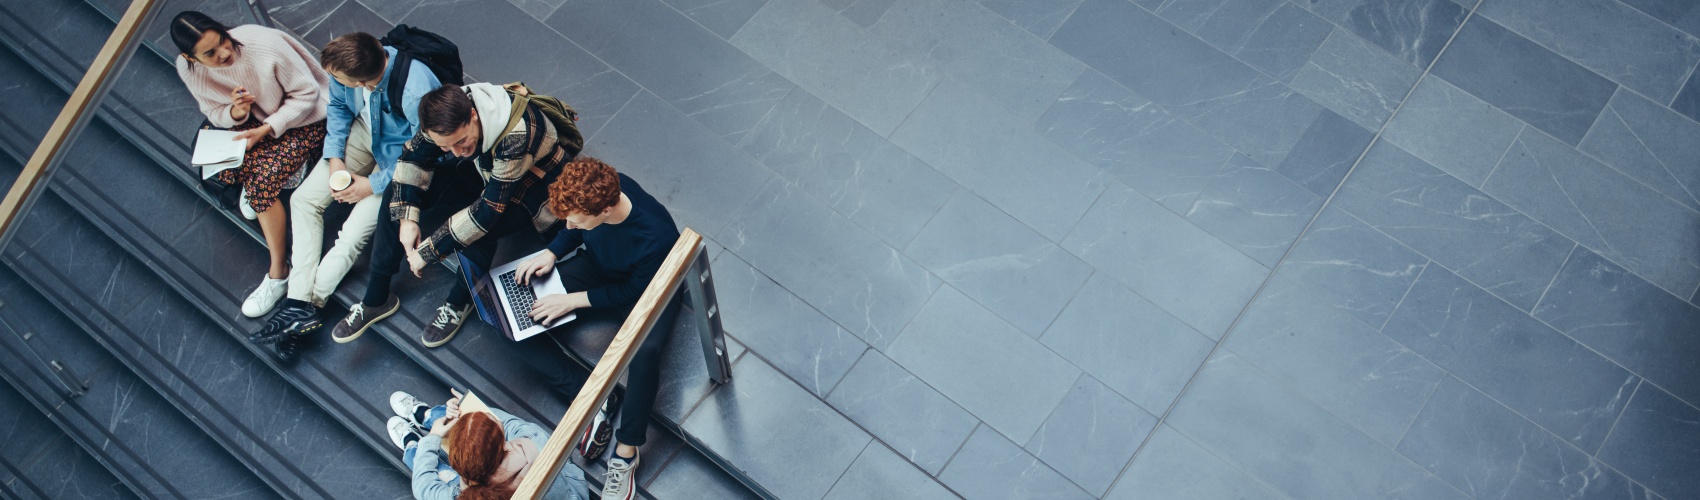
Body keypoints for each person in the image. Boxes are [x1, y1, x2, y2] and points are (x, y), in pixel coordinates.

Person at [331, 83, 581, 348]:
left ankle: (458, 303)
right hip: (484, 166)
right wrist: (407, 218)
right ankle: (376, 298)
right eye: (446, 146)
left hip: (531, 181)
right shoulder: (444, 114)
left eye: (461, 141)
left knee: (481, 234)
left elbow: (486, 213)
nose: (456, 151)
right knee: (397, 190)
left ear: (473, 115)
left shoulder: (517, 134)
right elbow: (413, 157)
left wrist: (427, 252)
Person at [247, 32, 443, 347]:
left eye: (339, 80)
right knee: (303, 201)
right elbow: (338, 108)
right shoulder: (346, 64)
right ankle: (297, 304)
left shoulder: (416, 92)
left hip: (400, 158)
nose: (333, 81)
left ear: (365, 83)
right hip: (364, 134)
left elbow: (428, 153)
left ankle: (307, 305)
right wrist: (335, 157)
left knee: (352, 235)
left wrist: (373, 184)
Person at [514, 157, 683, 500]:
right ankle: (593, 399)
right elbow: (570, 231)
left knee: (644, 352)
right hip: (599, 267)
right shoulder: (602, 190)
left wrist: (573, 300)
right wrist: (551, 251)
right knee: (513, 324)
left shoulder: (657, 236)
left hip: (648, 287)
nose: (570, 225)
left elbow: (634, 292)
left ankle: (626, 452)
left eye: (576, 220)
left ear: (605, 211)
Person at [172, 11, 329, 323]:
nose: (225, 53)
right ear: (189, 57)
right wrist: (235, 112)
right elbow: (213, 112)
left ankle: (278, 272)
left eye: (224, 41)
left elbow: (309, 94)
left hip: (307, 118)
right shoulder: (188, 69)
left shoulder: (265, 46)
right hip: (255, 121)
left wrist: (267, 129)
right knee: (220, 168)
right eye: (210, 53)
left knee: (260, 187)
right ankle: (276, 177)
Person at [386, 390, 589, 499]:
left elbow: (423, 488)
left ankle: (416, 443)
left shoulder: (463, 496)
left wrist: (434, 438)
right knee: (464, 421)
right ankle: (428, 420)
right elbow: (508, 423)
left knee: (433, 467)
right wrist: (469, 407)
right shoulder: (537, 443)